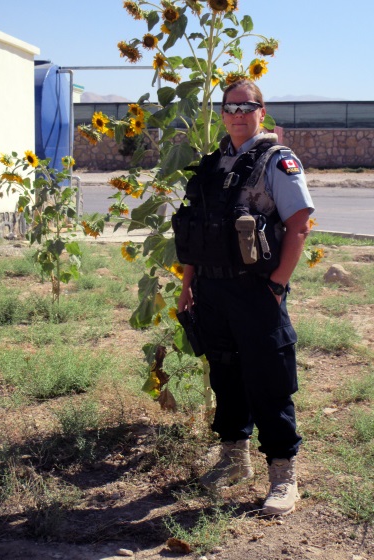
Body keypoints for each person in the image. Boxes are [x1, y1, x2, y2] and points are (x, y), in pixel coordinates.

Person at [175, 80, 315, 516]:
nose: (238, 113)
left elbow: (299, 226)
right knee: (225, 372)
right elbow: (197, 234)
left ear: (261, 111)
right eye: (230, 106)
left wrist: (276, 286)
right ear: (222, 113)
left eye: (246, 106)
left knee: (269, 379)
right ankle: (235, 459)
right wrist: (187, 286)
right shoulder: (212, 162)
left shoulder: (277, 160)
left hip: (256, 289)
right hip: (211, 289)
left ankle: (283, 476)